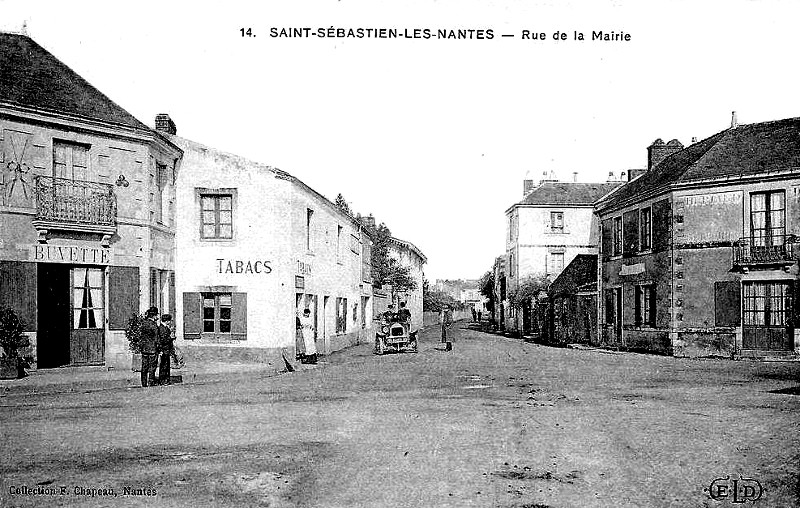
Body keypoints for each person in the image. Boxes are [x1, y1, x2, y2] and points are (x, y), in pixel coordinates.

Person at [139, 307, 159, 387]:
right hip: (152, 349)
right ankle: (151, 382)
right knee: (152, 366)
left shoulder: (144, 323)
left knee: (144, 366)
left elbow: (141, 336)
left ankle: (143, 383)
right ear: (154, 316)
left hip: (144, 349)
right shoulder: (153, 324)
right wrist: (158, 347)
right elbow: (156, 337)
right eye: (157, 315)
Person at [157, 314, 174, 385]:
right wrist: (171, 338)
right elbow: (163, 340)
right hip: (164, 349)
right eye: (170, 321)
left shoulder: (164, 327)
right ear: (167, 321)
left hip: (166, 349)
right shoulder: (162, 328)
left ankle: (165, 380)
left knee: (166, 365)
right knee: (164, 365)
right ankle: (163, 380)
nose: (170, 322)